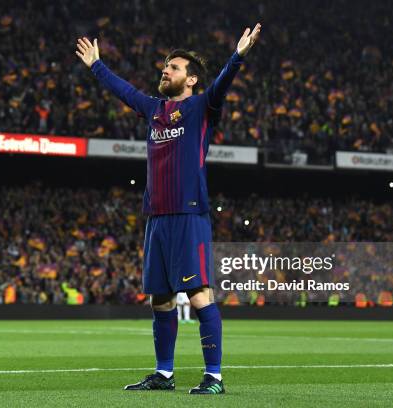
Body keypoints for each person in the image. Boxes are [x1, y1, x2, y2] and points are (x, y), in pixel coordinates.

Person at [76, 22, 261, 395]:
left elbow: (223, 84)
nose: (166, 70)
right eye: (165, 66)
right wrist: (97, 65)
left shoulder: (200, 107)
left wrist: (237, 56)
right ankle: (163, 374)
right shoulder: (154, 109)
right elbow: (125, 92)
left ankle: (214, 377)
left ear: (191, 80)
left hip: (189, 214)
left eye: (174, 67)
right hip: (156, 217)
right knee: (160, 299)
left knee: (199, 296)